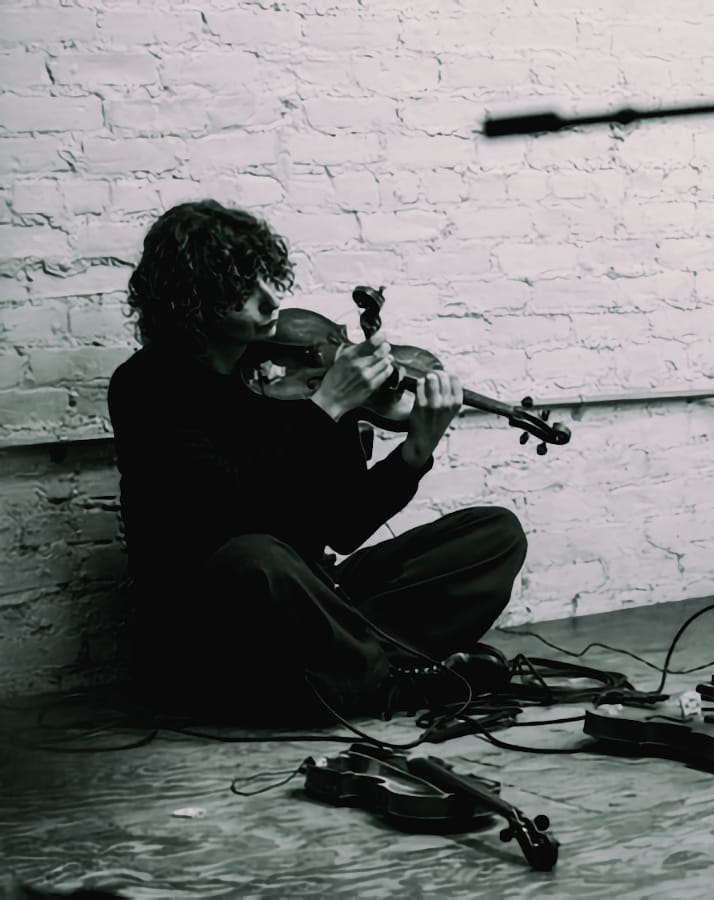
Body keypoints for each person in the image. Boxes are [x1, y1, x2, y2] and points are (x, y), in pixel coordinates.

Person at [107, 199, 527, 725]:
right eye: (243, 289)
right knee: (255, 558)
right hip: (220, 621)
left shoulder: (290, 377)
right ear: (193, 302)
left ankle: (352, 673)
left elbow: (345, 527)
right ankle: (385, 682)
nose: (272, 299)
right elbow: (223, 514)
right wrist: (326, 407)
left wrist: (415, 451)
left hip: (316, 603)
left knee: (494, 534)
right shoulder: (147, 387)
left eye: (267, 278)